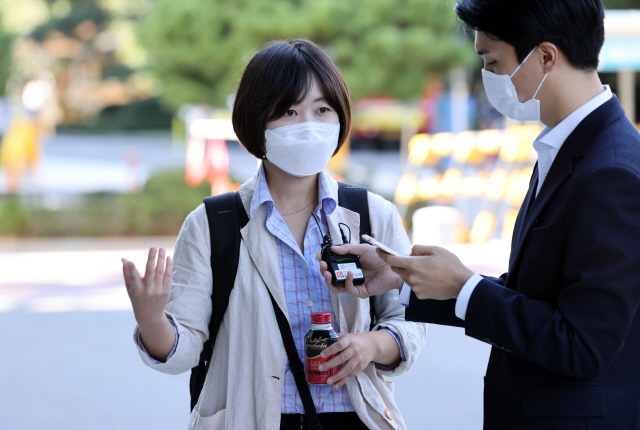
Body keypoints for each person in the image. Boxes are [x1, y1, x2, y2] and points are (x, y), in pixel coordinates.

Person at [318, 1, 640, 428]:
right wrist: (404, 277)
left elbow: (582, 343)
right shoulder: (568, 148)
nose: (488, 76)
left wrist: (464, 286)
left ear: (545, 56)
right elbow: (539, 295)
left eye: (493, 61)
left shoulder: (609, 170)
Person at [121, 38, 427, 430]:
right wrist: (150, 319)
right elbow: (184, 351)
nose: (308, 126)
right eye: (288, 111)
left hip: (356, 418)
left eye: (322, 110)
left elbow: (407, 321)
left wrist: (372, 345)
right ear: (256, 120)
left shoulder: (372, 215)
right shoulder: (212, 224)